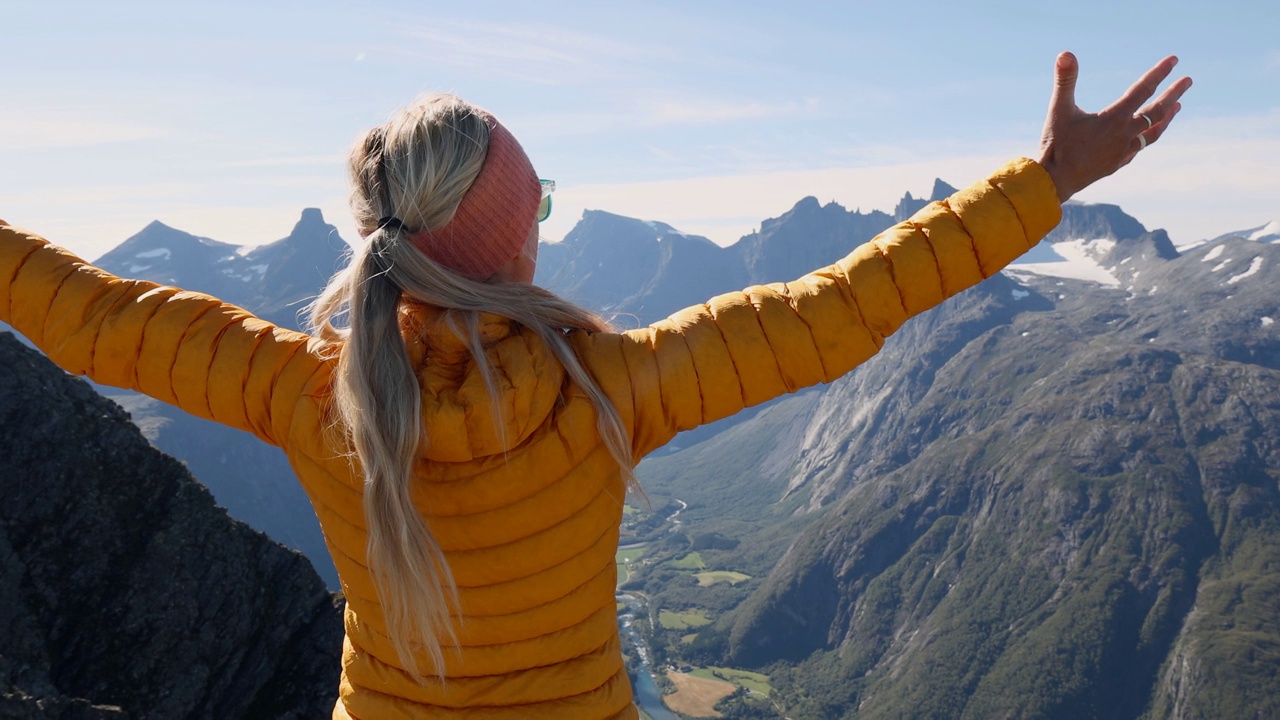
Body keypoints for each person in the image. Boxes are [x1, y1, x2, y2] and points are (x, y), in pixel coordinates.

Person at [0, 52, 1190, 719]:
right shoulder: (611, 386)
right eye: (543, 202)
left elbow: (101, 321)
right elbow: (835, 310)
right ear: (517, 245)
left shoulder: (309, 395)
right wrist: (1042, 182)